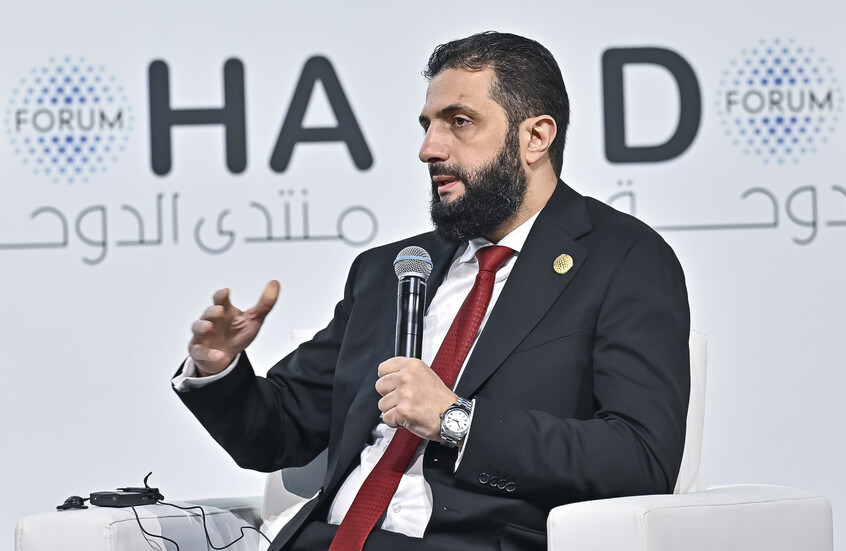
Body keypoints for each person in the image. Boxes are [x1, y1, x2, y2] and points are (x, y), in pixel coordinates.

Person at [173, 31, 690, 551]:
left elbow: (640, 458)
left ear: (536, 137)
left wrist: (456, 421)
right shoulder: (390, 270)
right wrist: (219, 369)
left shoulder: (623, 260)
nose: (429, 150)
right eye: (427, 126)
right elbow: (279, 431)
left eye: (459, 122)